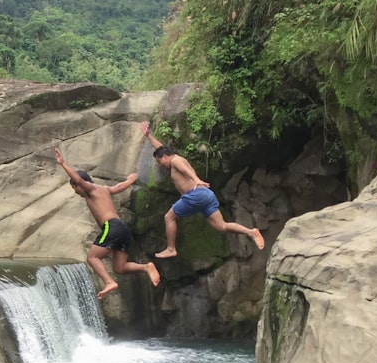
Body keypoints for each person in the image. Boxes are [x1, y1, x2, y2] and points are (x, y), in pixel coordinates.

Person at [140, 121, 265, 258]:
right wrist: (148, 135)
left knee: (169, 217)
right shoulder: (172, 158)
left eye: (159, 161)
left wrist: (196, 180)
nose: (161, 165)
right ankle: (251, 232)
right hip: (206, 196)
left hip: (196, 194)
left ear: (164, 157)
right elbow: (161, 148)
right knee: (221, 226)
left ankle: (171, 249)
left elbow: (186, 170)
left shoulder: (176, 161)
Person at [54, 147, 161, 299]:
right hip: (123, 228)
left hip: (111, 227)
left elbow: (78, 179)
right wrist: (130, 180)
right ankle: (146, 267)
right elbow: (118, 187)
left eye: (74, 188)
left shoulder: (89, 189)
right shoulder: (102, 189)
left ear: (80, 185)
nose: (75, 191)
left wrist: (63, 163)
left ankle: (109, 282)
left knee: (92, 257)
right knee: (120, 267)